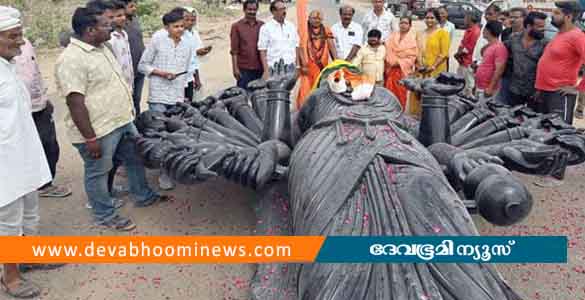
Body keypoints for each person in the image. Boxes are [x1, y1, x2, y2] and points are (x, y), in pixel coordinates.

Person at [55, 6, 168, 231]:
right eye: (106, 25)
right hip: (99, 130)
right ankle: (105, 214)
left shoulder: (102, 46)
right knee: (98, 172)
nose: (113, 27)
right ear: (89, 30)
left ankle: (142, 195)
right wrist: (90, 138)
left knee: (134, 157)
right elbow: (75, 102)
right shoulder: (71, 59)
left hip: (121, 120)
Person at [0, 6, 62, 298]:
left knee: (30, 211)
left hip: (24, 154)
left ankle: (30, 255)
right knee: (8, 222)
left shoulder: (8, 66)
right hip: (4, 163)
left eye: (21, 35)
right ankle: (10, 276)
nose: (21, 43)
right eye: (14, 37)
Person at [138, 9, 195, 190]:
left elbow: (187, 70)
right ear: (166, 27)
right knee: (159, 134)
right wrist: (161, 73)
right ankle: (162, 172)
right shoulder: (157, 40)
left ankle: (170, 170)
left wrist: (185, 95)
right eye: (175, 26)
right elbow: (142, 65)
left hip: (177, 95)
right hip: (159, 94)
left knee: (175, 135)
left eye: (181, 26)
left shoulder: (187, 43)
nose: (179, 29)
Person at [15, 39, 72, 198]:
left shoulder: (25, 43)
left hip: (39, 106)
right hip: (16, 110)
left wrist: (45, 99)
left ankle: (45, 184)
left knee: (49, 145)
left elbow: (36, 73)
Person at [535, 1, 585, 124]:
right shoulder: (560, 34)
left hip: (559, 94)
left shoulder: (577, 36)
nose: (552, 15)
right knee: (543, 133)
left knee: (558, 134)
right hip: (545, 92)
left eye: (557, 13)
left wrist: (578, 88)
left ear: (569, 17)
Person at [503, 11, 548, 107]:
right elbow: (501, 51)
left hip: (534, 92)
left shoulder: (545, 44)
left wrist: (540, 90)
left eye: (543, 26)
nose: (543, 29)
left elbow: (547, 69)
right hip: (514, 89)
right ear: (528, 26)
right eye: (539, 27)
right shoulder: (513, 39)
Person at [296, 10, 337, 109]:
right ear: (309, 19)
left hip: (322, 69)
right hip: (307, 68)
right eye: (314, 18)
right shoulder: (303, 30)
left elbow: (331, 46)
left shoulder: (326, 30)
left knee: (320, 91)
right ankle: (303, 111)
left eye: (319, 18)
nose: (317, 20)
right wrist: (299, 65)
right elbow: (298, 47)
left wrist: (337, 62)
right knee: (305, 92)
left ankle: (318, 111)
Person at [258, 0, 301, 80]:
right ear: (273, 11)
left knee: (289, 91)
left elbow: (296, 46)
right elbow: (262, 50)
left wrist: (298, 66)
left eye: (284, 8)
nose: (284, 11)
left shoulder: (291, 26)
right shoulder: (266, 28)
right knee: (275, 91)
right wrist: (266, 70)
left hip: (290, 68)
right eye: (281, 9)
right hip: (274, 69)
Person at [383, 16, 417, 108]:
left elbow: (412, 57)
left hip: (402, 71)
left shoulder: (412, 39)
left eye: (406, 23)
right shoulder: (392, 36)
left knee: (401, 94)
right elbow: (387, 50)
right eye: (401, 23)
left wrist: (399, 62)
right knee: (389, 94)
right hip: (390, 69)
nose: (403, 25)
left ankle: (400, 114)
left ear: (410, 26)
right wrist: (392, 61)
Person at [230, 0, 264, 90]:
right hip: (244, 69)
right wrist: (235, 69)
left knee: (259, 97)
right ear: (244, 10)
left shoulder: (262, 26)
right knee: (243, 96)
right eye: (249, 9)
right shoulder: (236, 26)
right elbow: (234, 50)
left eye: (254, 9)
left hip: (260, 68)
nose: (252, 12)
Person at [497, 7, 528, 104]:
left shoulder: (528, 34)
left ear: (524, 18)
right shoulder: (506, 32)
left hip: (521, 80)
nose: (512, 20)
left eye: (516, 17)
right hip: (506, 75)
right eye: (511, 17)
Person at [120, 0, 145, 114]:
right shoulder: (118, 25)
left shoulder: (135, 19)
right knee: (127, 102)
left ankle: (138, 125)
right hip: (126, 71)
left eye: (135, 5)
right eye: (131, 6)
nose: (134, 8)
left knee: (137, 100)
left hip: (139, 68)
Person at [183, 6, 212, 103]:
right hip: (181, 77)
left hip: (191, 74)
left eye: (193, 20)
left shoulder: (194, 33)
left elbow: (194, 59)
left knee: (191, 101)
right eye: (187, 20)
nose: (190, 22)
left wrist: (203, 51)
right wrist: (196, 52)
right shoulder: (179, 35)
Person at [475, 21, 508, 102]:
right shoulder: (491, 46)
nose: (483, 31)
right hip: (481, 86)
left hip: (488, 88)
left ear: (488, 31)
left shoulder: (499, 48)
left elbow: (499, 70)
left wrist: (490, 87)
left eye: (484, 29)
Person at [455, 11, 482, 97]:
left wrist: (459, 53)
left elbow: (470, 48)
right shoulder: (468, 30)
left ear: (470, 19)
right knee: (461, 85)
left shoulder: (475, 31)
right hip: (463, 61)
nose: (464, 20)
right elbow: (462, 43)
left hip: (468, 63)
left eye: (465, 18)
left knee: (468, 88)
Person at [109, 0, 134, 89]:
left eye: (124, 15)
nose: (123, 18)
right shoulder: (110, 38)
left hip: (128, 85)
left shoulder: (124, 34)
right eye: (119, 16)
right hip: (117, 87)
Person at [437, 5, 455, 71]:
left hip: (444, 55)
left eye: (443, 13)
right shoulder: (434, 24)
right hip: (433, 53)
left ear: (447, 14)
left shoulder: (451, 26)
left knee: (443, 75)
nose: (441, 15)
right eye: (439, 13)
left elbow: (450, 40)